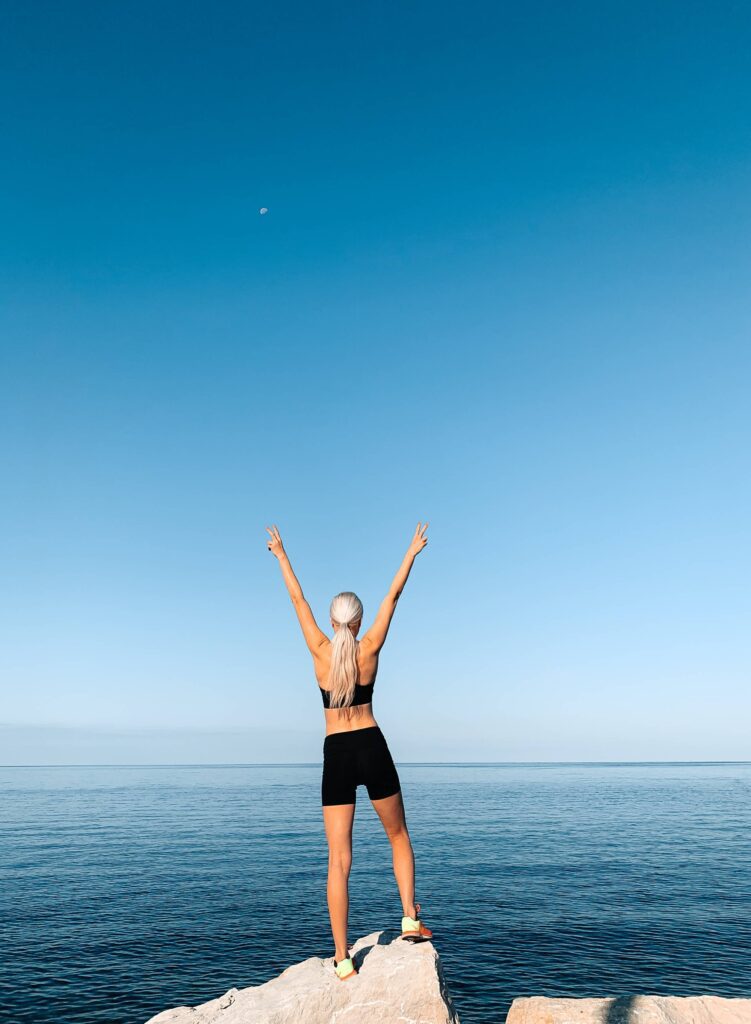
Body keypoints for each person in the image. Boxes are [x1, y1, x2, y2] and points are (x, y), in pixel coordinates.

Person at [266, 522, 433, 981]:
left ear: (333, 619)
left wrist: (281, 554)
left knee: (338, 860)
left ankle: (342, 959)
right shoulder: (371, 647)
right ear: (356, 623)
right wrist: (411, 553)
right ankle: (409, 919)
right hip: (371, 744)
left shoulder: (320, 650)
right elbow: (392, 599)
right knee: (398, 836)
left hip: (336, 752)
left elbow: (297, 601)